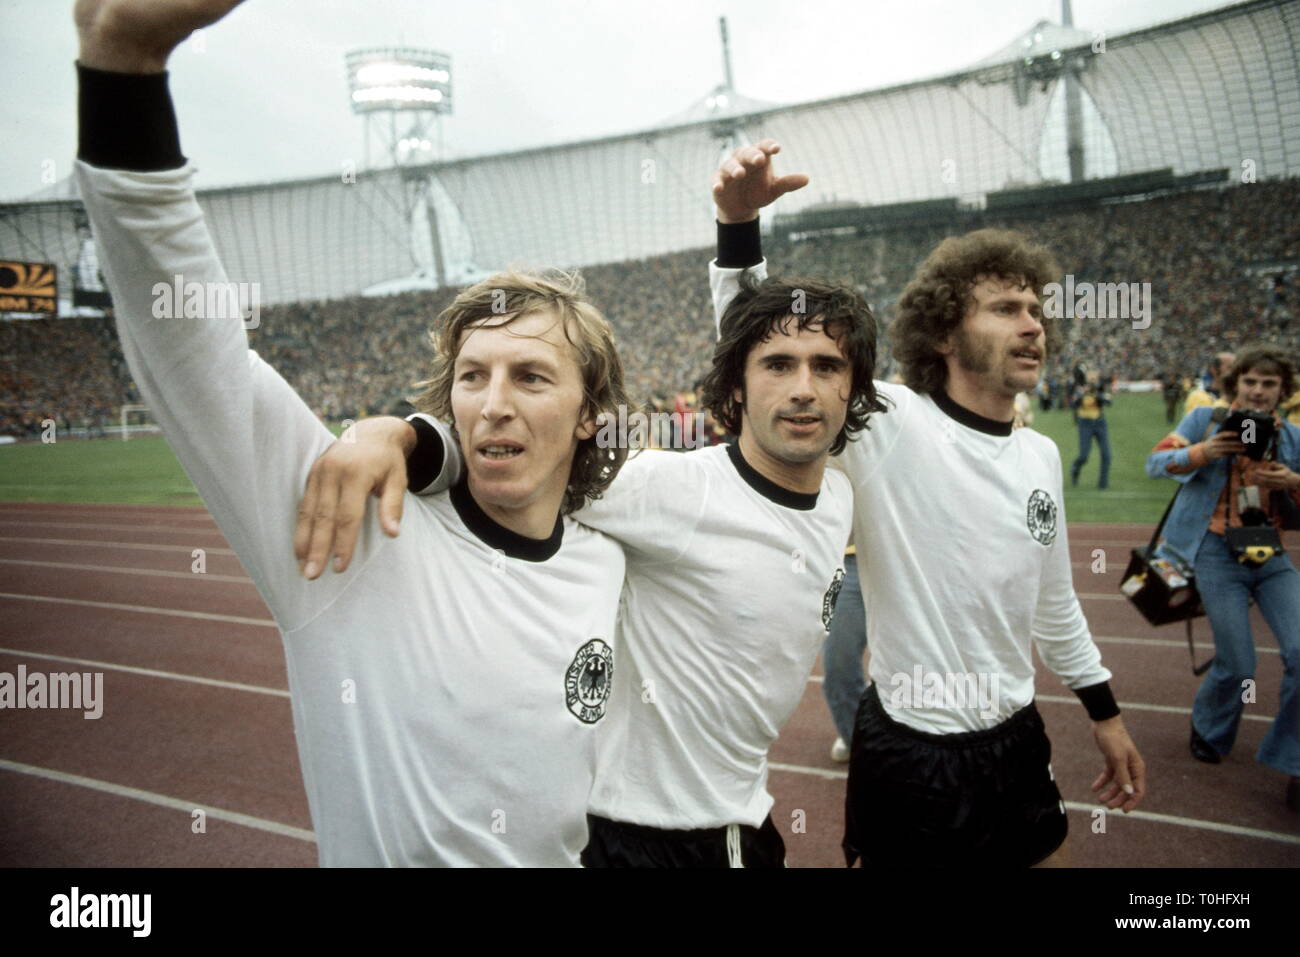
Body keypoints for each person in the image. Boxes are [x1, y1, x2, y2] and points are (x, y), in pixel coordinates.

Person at [74, 0, 632, 866]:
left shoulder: (610, 557)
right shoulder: (356, 537)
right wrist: (124, 69)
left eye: (530, 376)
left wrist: (416, 440)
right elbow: (195, 355)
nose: (493, 403)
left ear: (590, 411)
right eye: (472, 377)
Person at [296, 268, 884, 866]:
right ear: (736, 391)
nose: (803, 388)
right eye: (779, 365)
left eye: (827, 367)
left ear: (854, 387)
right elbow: (518, 463)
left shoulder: (839, 496)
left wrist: (739, 236)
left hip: (745, 817)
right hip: (633, 834)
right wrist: (399, 437)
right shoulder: (673, 489)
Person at [709, 141, 1145, 867]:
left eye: (1035, 309)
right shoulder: (891, 425)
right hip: (911, 754)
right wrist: (738, 227)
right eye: (1005, 308)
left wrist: (1106, 713)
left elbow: (1055, 605)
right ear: (943, 331)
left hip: (1016, 740)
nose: (1033, 324)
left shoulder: (1040, 455)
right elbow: (759, 342)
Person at [1146, 344, 1300, 812]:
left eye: (1269, 383)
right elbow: (1156, 463)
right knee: (1239, 664)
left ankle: (1293, 760)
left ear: (1283, 390)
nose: (1258, 390)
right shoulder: (1205, 419)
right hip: (1214, 551)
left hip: (1268, 553)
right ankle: (1210, 729)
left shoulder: (1292, 437)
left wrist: (1292, 483)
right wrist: (1204, 451)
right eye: (1250, 381)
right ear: (1236, 384)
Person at [1069, 368, 1112, 489]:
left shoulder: (1100, 389)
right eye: (1090, 379)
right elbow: (1072, 405)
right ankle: (1075, 468)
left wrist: (1097, 394)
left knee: (1106, 455)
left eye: (1094, 379)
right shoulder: (1079, 390)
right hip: (1085, 424)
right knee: (1084, 456)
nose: (1092, 382)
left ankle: (1103, 484)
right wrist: (1082, 394)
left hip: (1100, 423)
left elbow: (1109, 402)